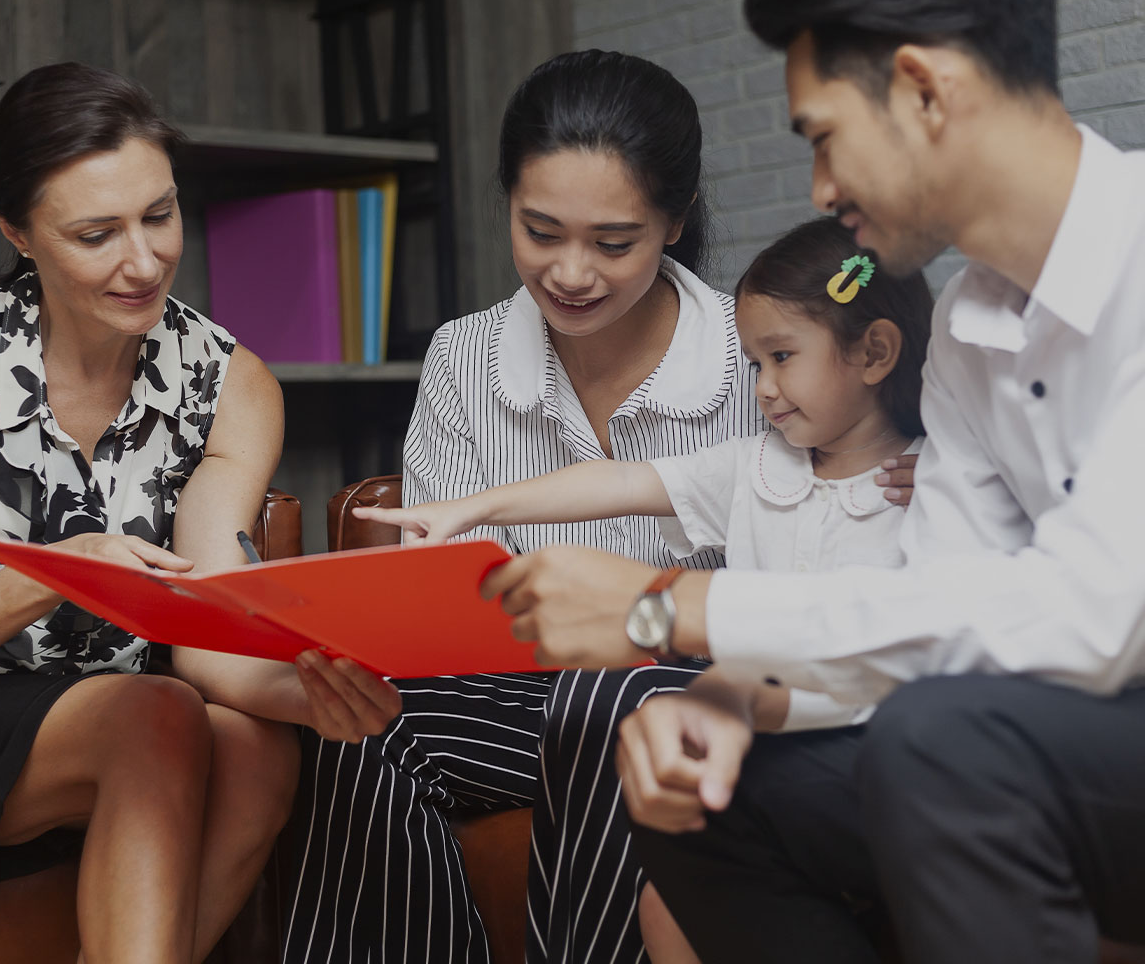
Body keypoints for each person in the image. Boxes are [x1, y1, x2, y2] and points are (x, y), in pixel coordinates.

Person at [475, 0, 1145, 962]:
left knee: (940, 739)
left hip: (1086, 731)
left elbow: (1093, 624)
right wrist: (719, 698)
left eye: (823, 136)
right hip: (1053, 749)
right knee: (693, 798)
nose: (821, 189)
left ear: (923, 90)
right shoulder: (964, 334)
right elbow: (937, 609)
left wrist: (666, 607)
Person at [280, 52, 918, 964]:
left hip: (694, 685)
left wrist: (925, 470)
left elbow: (831, 527)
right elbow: (448, 590)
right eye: (540, 231)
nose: (571, 272)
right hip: (505, 688)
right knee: (377, 723)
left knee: (600, 693)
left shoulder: (764, 365)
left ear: (674, 223)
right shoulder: (465, 360)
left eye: (613, 243)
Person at [0, 61, 399, 964]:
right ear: (15, 230)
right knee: (155, 716)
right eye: (95, 233)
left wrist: (318, 695)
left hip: (145, 710)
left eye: (160, 215)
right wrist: (52, 574)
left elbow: (208, 630)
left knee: (255, 744)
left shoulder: (227, 381)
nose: (144, 260)